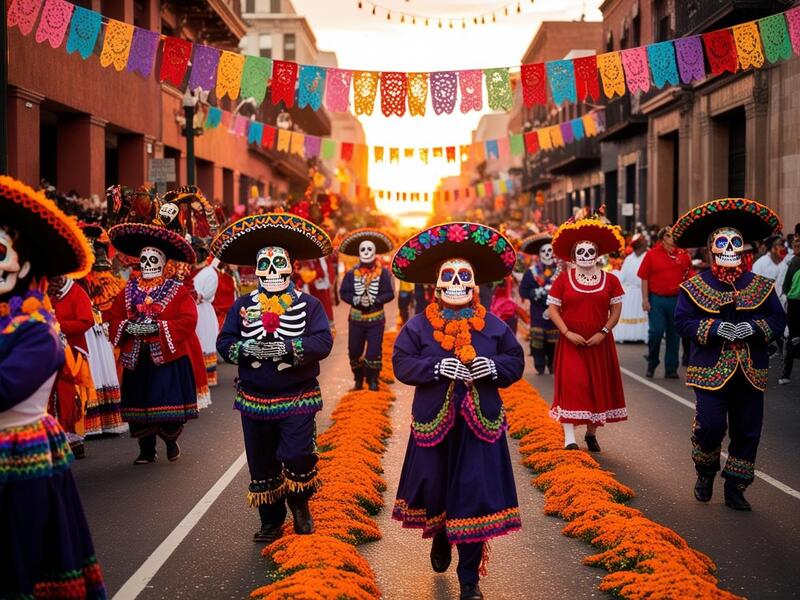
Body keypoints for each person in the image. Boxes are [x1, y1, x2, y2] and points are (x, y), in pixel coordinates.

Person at [390, 222, 524, 600]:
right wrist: (435, 369)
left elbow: (515, 361)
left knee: (474, 494)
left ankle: (469, 580)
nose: (456, 283)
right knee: (435, 488)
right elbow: (401, 363)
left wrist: (492, 367)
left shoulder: (495, 325)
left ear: (474, 284)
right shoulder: (418, 326)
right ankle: (442, 536)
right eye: (448, 276)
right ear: (436, 285)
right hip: (435, 422)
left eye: (463, 276)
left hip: (480, 426)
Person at [0, 176, 106, 598]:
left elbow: (6, 387)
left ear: (23, 266)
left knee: (21, 558)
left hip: (21, 453)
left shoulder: (38, 331)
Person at [215, 213, 334, 543]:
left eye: (277, 262)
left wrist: (288, 348)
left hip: (297, 394)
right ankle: (271, 519)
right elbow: (224, 343)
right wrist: (248, 349)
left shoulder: (309, 305)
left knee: (298, 453)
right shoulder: (241, 306)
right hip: (254, 396)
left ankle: (299, 500)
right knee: (261, 461)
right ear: (254, 270)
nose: (269, 271)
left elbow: (323, 341)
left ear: (291, 267)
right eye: (262, 264)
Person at [673, 198, 785, 511]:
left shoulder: (761, 285)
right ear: (711, 249)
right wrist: (713, 328)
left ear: (744, 248)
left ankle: (736, 487)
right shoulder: (694, 286)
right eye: (722, 242)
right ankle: (706, 470)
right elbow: (682, 321)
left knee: (747, 429)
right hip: (710, 369)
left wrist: (754, 328)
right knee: (710, 426)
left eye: (735, 241)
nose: (729, 247)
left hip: (751, 370)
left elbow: (778, 319)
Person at [106, 220, 199, 464]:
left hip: (165, 357)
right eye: (143, 259)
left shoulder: (177, 290)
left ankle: (170, 441)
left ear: (164, 263)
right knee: (138, 403)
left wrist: (159, 327)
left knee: (165, 401)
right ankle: (146, 449)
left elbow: (189, 318)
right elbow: (113, 316)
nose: (147, 264)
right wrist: (127, 326)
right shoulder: (128, 290)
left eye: (153, 259)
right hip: (137, 357)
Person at [547, 214, 627, 452]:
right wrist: (566, 332)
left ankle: (591, 433)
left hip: (599, 342)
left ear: (598, 254)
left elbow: (615, 310)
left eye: (590, 251)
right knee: (574, 384)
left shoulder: (610, 280)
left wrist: (604, 331)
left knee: (595, 387)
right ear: (573, 255)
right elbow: (552, 309)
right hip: (571, 341)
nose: (585, 256)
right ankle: (569, 438)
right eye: (580, 252)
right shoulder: (563, 279)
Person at [77, 224, 126, 436]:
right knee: (95, 371)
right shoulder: (80, 278)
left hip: (99, 328)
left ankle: (106, 419)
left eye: (98, 248)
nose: (98, 254)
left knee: (103, 369)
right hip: (90, 328)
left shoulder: (111, 281)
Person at [338, 229, 395, 391]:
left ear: (375, 252)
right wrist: (356, 300)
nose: (366, 252)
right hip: (356, 320)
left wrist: (375, 300)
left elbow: (389, 293)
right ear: (358, 253)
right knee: (354, 351)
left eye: (369, 249)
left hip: (376, 319)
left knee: (373, 352)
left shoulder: (383, 274)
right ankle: (358, 379)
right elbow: (343, 293)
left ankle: (373, 380)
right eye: (363, 249)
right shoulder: (351, 274)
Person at [48, 275, 96, 457]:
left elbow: (86, 321)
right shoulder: (40, 292)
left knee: (68, 397)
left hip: (71, 356)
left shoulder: (75, 292)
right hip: (45, 352)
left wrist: (58, 326)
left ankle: (72, 439)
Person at [638, 226, 693, 378]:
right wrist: (645, 299)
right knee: (656, 332)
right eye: (670, 235)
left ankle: (671, 368)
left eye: (675, 235)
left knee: (674, 335)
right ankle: (652, 362)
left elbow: (689, 276)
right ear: (663, 238)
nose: (673, 238)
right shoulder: (651, 255)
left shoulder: (683, 255)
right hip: (657, 299)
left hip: (677, 299)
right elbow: (644, 278)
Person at [519, 233, 559, 374]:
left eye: (550, 250)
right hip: (537, 312)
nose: (547, 254)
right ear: (539, 254)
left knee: (554, 342)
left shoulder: (560, 271)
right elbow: (523, 291)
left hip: (555, 314)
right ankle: (540, 366)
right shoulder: (531, 272)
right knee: (538, 342)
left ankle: (554, 364)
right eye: (544, 251)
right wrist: (536, 293)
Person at [191, 240, 220, 387]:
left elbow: (205, 295)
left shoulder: (210, 273)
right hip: (192, 311)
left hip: (203, 312)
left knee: (204, 339)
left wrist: (193, 296)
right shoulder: (189, 271)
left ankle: (206, 376)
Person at [614, 234, 649, 343]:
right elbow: (623, 277)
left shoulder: (647, 257)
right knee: (630, 313)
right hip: (629, 292)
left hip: (641, 291)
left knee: (640, 313)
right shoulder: (629, 259)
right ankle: (626, 336)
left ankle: (642, 336)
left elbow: (623, 276)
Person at [779, 233, 800, 384]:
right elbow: (785, 285)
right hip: (794, 303)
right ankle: (786, 374)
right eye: (795, 243)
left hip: (794, 303)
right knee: (793, 337)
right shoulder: (792, 262)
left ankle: (786, 374)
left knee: (794, 337)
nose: (796, 246)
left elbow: (786, 285)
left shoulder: (793, 262)